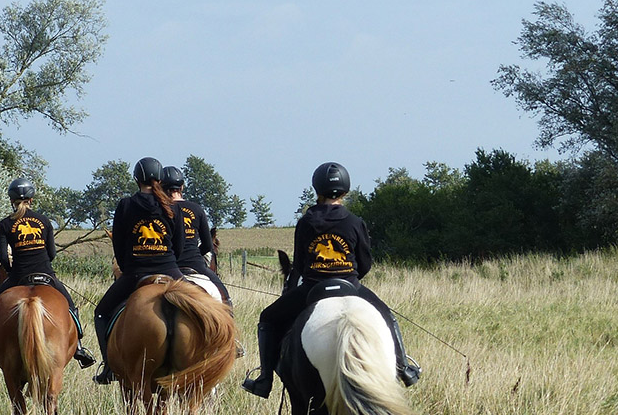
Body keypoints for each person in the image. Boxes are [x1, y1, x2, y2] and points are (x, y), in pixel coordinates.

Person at [241, 162, 421, 398]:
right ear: (345, 191)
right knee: (387, 316)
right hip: (351, 287)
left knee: (267, 318)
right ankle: (403, 368)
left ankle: (264, 379)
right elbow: (365, 264)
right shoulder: (355, 222)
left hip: (312, 288)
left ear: (317, 190)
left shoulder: (306, 222)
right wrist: (348, 277)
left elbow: (302, 263)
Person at [0, 177, 96, 371]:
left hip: (18, 276)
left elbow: (4, 258)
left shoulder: (5, 224)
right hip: (46, 275)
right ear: (31, 199)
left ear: (11, 200)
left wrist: (13, 271)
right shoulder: (43, 220)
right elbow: (52, 254)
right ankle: (79, 347)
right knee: (70, 306)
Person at [92, 157, 187, 385]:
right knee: (208, 306)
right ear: (160, 179)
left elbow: (119, 245)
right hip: (171, 271)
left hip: (136, 273)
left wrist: (128, 268)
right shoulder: (173, 207)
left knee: (101, 313)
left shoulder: (126, 205)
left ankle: (109, 368)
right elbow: (180, 246)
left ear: (136, 179)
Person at [162, 165, 230, 304]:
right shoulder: (197, 209)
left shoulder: (160, 210)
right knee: (225, 298)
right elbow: (207, 245)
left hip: (166, 265)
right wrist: (195, 254)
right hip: (195, 264)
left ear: (162, 188)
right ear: (182, 188)